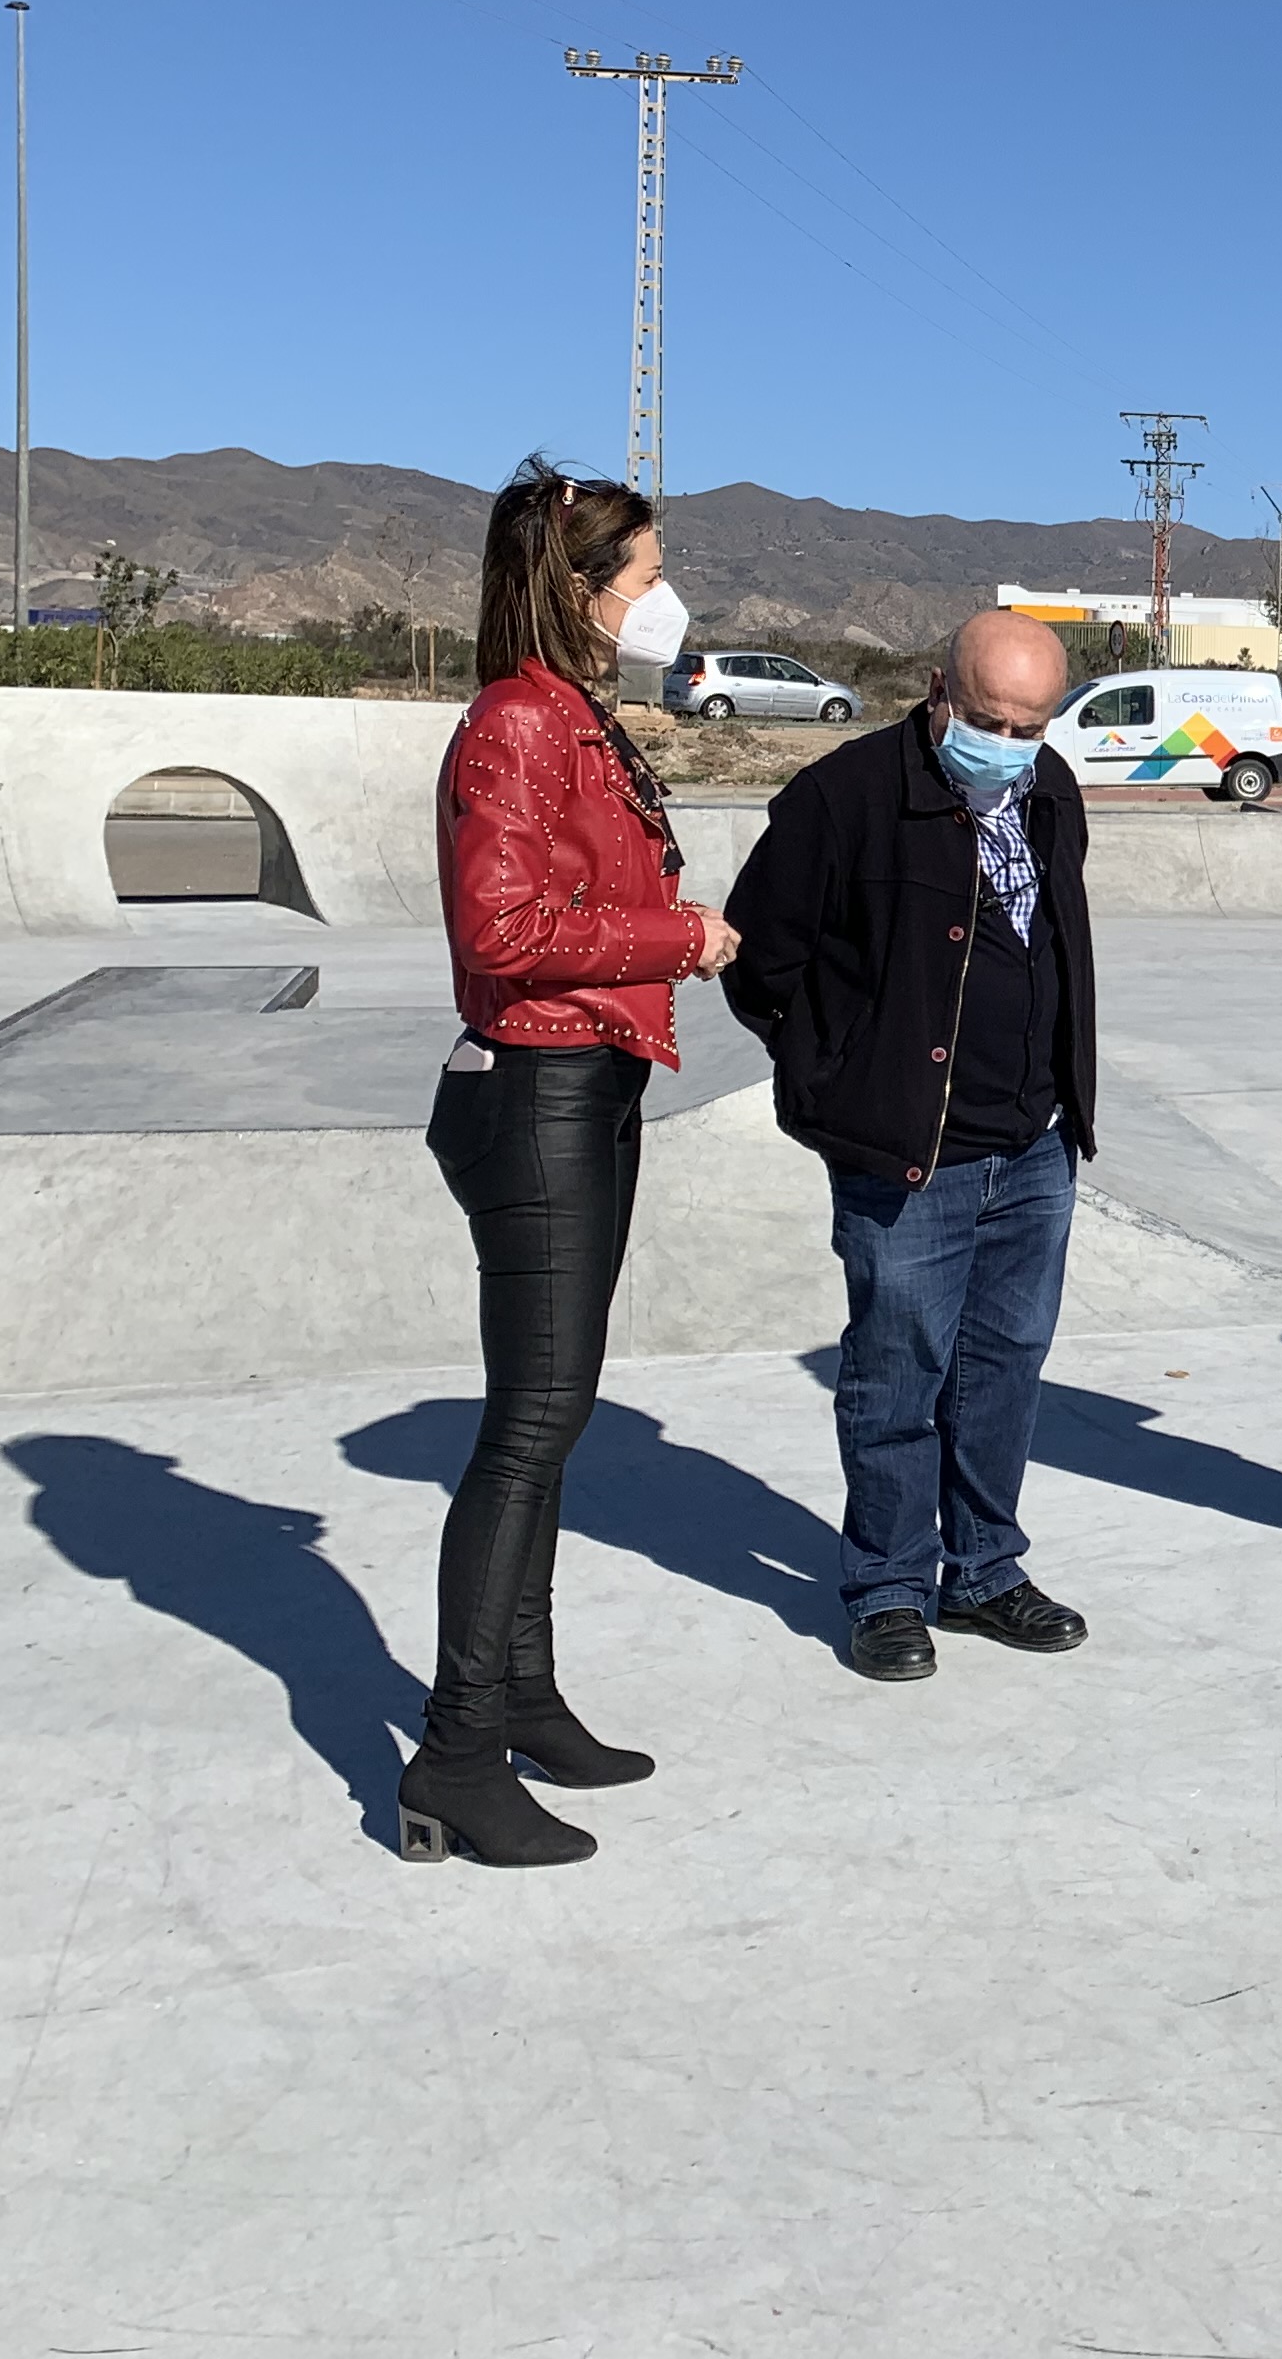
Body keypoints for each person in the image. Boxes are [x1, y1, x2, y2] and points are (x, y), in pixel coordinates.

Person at [408, 460, 739, 1867]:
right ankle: (457, 1753)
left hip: (589, 1077)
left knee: (559, 1416)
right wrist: (682, 939)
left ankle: (526, 1696)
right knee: (529, 1426)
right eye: (648, 574)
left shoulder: (571, 718)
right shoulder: (518, 724)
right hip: (537, 1086)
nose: (664, 598)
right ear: (582, 586)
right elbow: (505, 937)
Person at [724, 609, 1102, 1683]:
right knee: (897, 1373)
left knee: (1004, 1370)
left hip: (1033, 1145)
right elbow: (760, 965)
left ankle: (983, 1570)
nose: (1011, 743)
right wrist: (842, 1071)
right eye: (988, 719)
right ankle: (888, 1586)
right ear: (938, 692)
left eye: (1032, 724)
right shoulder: (841, 800)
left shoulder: (1052, 791)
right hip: (909, 1156)